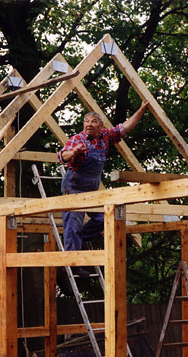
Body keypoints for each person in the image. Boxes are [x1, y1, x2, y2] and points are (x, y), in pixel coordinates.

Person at [58, 102, 149, 277]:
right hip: (74, 188)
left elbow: (126, 127)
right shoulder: (77, 139)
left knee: (104, 218)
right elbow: (63, 156)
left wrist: (142, 109)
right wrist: (74, 153)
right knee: (73, 224)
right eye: (86, 121)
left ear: (100, 126)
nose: (89, 125)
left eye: (93, 122)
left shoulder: (106, 137)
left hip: (92, 191)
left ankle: (78, 240)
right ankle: (72, 264)